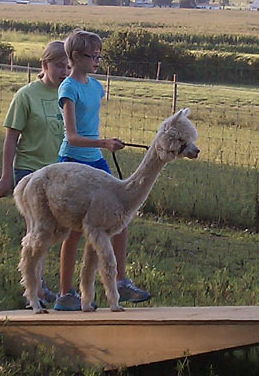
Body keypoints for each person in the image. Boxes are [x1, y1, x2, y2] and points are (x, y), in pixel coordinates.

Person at [54, 29, 151, 311]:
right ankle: (66, 293)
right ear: (74, 57)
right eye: (91, 55)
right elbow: (71, 136)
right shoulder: (68, 88)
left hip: (97, 161)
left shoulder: (96, 87)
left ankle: (120, 281)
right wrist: (104, 142)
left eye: (99, 55)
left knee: (119, 219)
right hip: (73, 162)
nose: (97, 60)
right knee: (74, 230)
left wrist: (102, 145)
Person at [0, 40, 70, 308]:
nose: (64, 71)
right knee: (38, 231)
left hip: (59, 173)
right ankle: (34, 291)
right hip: (29, 171)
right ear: (44, 64)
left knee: (55, 231)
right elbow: (11, 139)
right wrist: (6, 176)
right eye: (59, 65)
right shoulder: (26, 96)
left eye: (68, 66)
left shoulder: (67, 95)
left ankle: (45, 287)